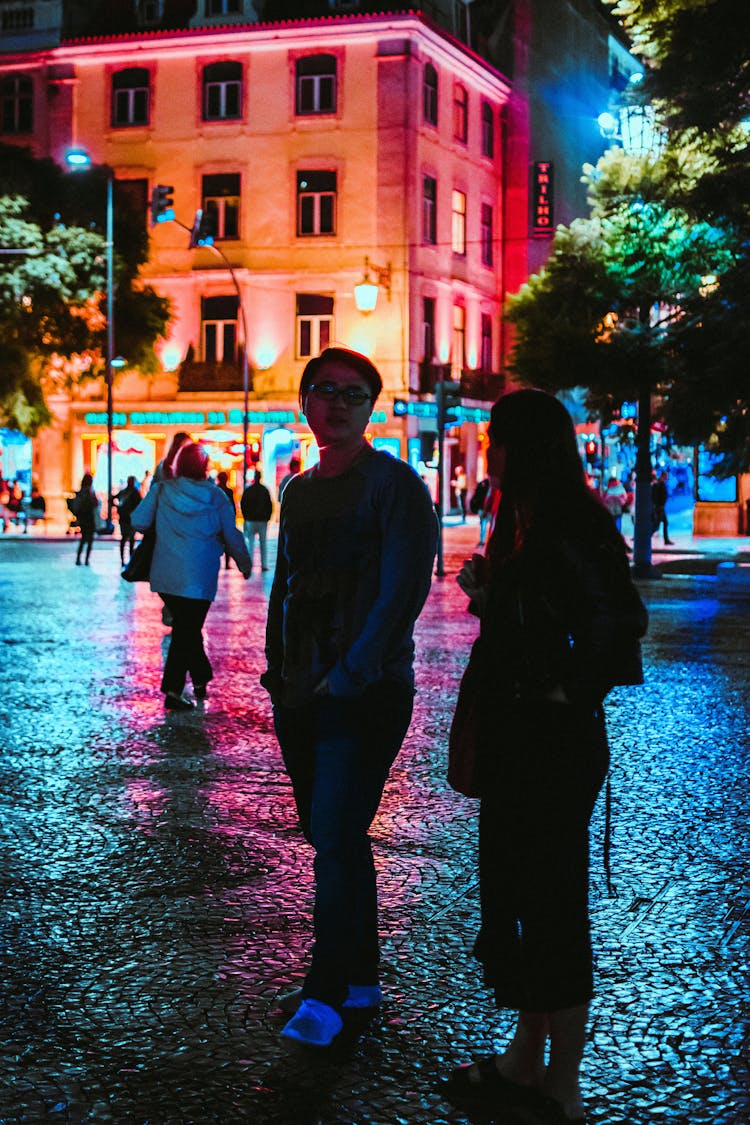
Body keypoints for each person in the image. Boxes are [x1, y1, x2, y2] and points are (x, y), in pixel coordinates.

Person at [446, 390, 648, 1125]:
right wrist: (490, 594)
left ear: (524, 447)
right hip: (514, 735)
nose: (487, 448)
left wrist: (570, 689)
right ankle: (523, 1058)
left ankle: (562, 1084)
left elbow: (619, 620)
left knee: (553, 903)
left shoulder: (571, 522)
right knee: (518, 896)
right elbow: (536, 620)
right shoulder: (522, 521)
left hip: (552, 745)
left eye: (496, 437)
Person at [261, 347, 438, 1048]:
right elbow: (286, 581)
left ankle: (325, 995)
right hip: (299, 689)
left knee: (333, 838)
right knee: (334, 836)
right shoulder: (298, 489)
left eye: (353, 393)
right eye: (324, 390)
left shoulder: (394, 485)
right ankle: (359, 977)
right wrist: (278, 669)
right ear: (304, 400)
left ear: (372, 406)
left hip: (365, 692)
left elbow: (404, 590)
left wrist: (353, 669)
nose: (336, 402)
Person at [131, 441, 252, 710]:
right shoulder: (217, 496)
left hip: (167, 575)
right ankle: (173, 691)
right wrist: (244, 562)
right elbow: (231, 534)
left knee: (186, 628)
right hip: (200, 575)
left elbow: (138, 520)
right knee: (188, 628)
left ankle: (199, 678)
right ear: (204, 467)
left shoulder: (163, 490)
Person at [240, 469, 273, 573]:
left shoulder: (248, 490)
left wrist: (246, 517)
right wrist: (268, 517)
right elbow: (269, 505)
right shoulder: (264, 490)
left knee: (250, 543)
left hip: (251, 520)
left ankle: (250, 564)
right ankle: (263, 565)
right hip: (262, 520)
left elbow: (243, 504)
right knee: (263, 543)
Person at [72, 473, 99, 566]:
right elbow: (94, 504)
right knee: (89, 540)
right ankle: (86, 560)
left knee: (83, 539)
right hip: (89, 518)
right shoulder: (89, 492)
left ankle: (79, 558)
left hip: (83, 519)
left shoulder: (81, 492)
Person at [114, 475, 142, 564]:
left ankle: (124, 559)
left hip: (124, 519)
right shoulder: (134, 492)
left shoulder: (124, 492)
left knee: (125, 539)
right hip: (130, 519)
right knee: (130, 539)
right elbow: (140, 504)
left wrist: (118, 507)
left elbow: (112, 498)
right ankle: (129, 559)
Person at [216, 471, 237, 569]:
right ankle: (227, 563)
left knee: (216, 541)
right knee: (228, 542)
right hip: (226, 520)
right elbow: (232, 506)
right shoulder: (229, 491)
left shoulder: (215, 490)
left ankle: (217, 562)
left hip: (216, 519)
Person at [651, 471, 673, 545]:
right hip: (659, 507)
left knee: (663, 523)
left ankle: (666, 540)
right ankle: (646, 537)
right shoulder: (658, 484)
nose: (667, 478)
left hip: (660, 507)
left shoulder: (660, 483)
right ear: (663, 476)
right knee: (656, 525)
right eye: (666, 476)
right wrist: (657, 505)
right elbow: (656, 496)